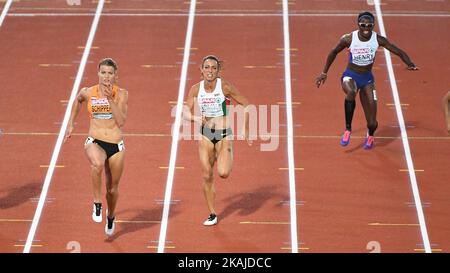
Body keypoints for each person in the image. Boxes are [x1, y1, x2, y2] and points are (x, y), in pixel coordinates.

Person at [315, 11, 418, 149]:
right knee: (351, 92)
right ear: (358, 24)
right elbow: (333, 52)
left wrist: (410, 63)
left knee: (372, 122)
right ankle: (348, 130)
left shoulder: (378, 40)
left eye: (369, 26)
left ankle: (370, 135)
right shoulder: (349, 39)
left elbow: (397, 51)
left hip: (367, 79)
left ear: (373, 26)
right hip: (350, 75)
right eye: (363, 25)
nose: (366, 28)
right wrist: (324, 72)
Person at [183, 55, 251, 226]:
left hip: (223, 133)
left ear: (218, 70)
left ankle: (227, 151)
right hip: (205, 134)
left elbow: (246, 103)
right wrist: (198, 119)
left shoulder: (225, 87)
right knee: (206, 175)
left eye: (213, 68)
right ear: (201, 69)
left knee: (223, 173)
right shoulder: (195, 89)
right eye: (207, 67)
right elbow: (184, 112)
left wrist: (246, 128)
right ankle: (212, 213)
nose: (210, 71)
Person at [65, 58, 128, 236]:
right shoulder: (88, 92)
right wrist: (71, 123)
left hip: (116, 145)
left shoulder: (122, 94)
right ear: (98, 74)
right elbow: (78, 101)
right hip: (95, 140)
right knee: (97, 164)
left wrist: (110, 99)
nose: (106, 77)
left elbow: (121, 121)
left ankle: (111, 216)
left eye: (110, 73)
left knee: (112, 189)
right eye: (103, 73)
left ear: (116, 75)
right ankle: (97, 203)